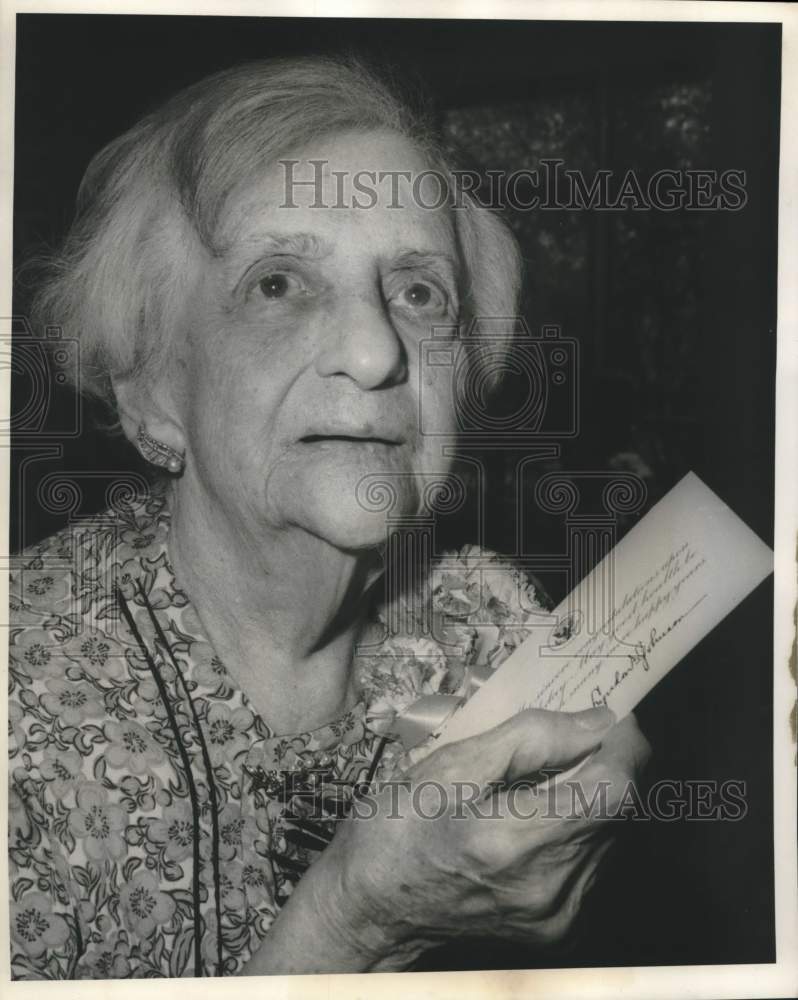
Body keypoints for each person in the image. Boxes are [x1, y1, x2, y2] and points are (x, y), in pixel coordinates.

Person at [8, 56, 650, 979]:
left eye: (420, 291)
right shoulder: (18, 708)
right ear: (153, 393)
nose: (374, 347)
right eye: (277, 284)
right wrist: (357, 919)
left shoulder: (488, 618)